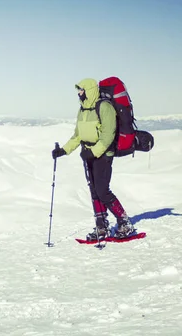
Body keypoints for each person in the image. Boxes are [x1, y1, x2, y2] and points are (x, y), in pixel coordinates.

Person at [51, 78, 135, 241]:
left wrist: (94, 152)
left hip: (103, 154)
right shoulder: (82, 109)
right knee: (94, 191)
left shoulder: (104, 107)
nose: (79, 93)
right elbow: (78, 135)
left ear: (89, 90)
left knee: (103, 190)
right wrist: (63, 150)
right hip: (87, 152)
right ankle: (101, 226)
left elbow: (108, 135)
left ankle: (125, 222)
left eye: (81, 90)